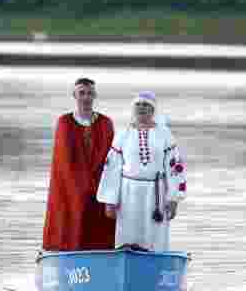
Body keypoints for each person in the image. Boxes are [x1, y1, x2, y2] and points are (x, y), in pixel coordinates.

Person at [96, 91, 187, 251]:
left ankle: (155, 265)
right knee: (128, 233)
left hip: (156, 194)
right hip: (128, 193)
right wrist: (110, 200)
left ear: (153, 110)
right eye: (138, 105)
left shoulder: (164, 134)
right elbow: (112, 168)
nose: (142, 108)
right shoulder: (124, 133)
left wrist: (173, 199)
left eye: (146, 105)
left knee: (154, 236)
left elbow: (175, 167)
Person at [42, 78, 117, 252]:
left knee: (102, 226)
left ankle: (103, 256)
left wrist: (103, 187)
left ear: (95, 95)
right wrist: (84, 185)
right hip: (72, 186)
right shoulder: (65, 122)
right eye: (82, 93)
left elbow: (111, 157)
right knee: (75, 216)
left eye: (90, 93)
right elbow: (65, 160)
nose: (86, 97)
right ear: (74, 95)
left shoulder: (106, 123)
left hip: (101, 184)